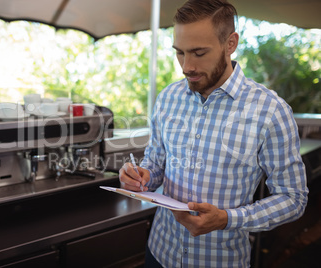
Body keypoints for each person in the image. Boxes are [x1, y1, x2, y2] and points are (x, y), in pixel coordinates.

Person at [119, 0, 308, 267]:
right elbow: (156, 162)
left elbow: (293, 199)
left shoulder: (271, 111)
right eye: (180, 53)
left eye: (198, 53)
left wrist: (228, 219)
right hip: (159, 252)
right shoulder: (167, 98)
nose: (186, 66)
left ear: (230, 43)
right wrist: (142, 176)